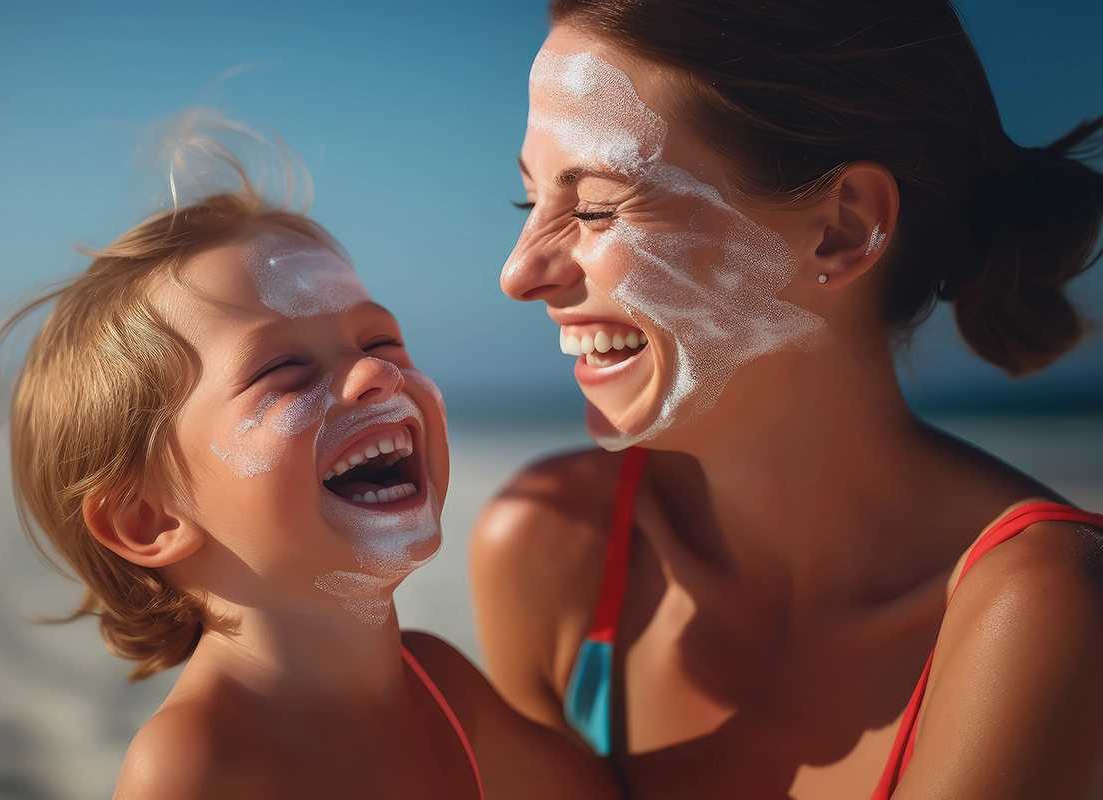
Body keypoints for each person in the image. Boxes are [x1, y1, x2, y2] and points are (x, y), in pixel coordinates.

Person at [471, 2, 1103, 797]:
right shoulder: (551, 549)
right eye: (532, 204)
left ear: (842, 229)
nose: (519, 274)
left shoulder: (1037, 612)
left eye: (596, 205)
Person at [0, 127, 618, 800]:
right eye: (284, 369)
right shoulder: (197, 763)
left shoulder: (442, 685)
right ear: (147, 518)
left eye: (381, 340)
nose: (375, 373)